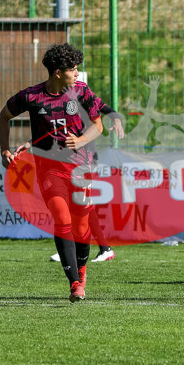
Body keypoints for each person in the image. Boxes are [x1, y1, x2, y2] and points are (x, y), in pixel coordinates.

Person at [0, 44, 105, 302]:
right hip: (49, 170)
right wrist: (4, 150)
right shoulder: (32, 96)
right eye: (73, 70)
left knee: (81, 227)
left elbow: (98, 125)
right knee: (61, 217)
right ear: (57, 73)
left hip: (80, 167)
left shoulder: (81, 92)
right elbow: (3, 117)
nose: (77, 74)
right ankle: (74, 284)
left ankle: (82, 270)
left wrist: (80, 141)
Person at [50, 101, 125, 264]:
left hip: (86, 160)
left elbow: (109, 110)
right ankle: (102, 248)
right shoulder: (61, 103)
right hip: (69, 161)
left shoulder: (85, 99)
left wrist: (117, 121)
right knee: (82, 206)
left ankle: (83, 248)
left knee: (78, 205)